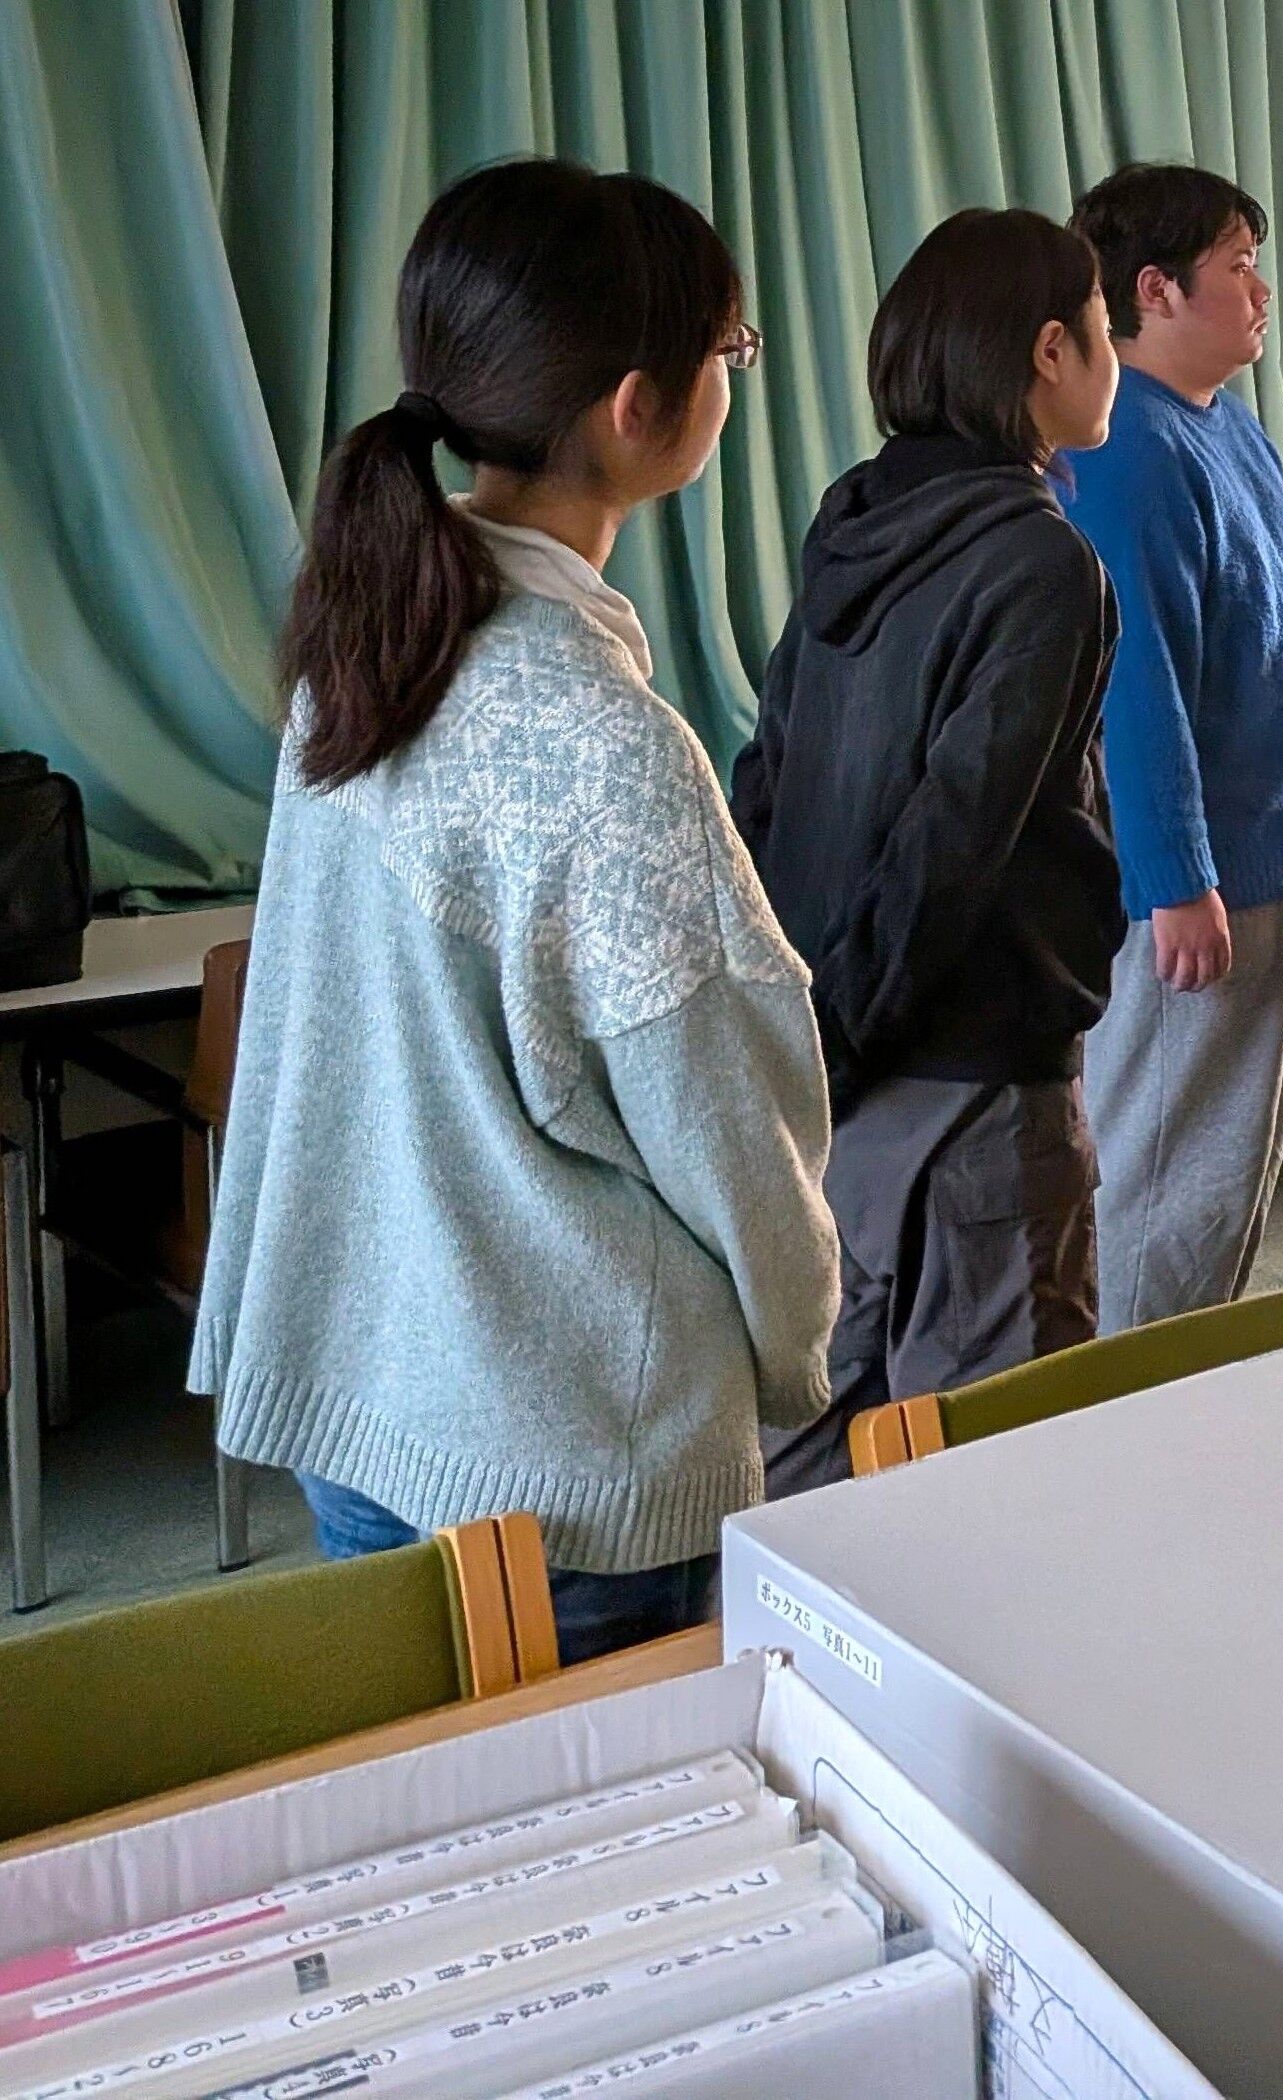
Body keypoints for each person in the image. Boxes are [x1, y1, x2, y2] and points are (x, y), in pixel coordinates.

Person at [192, 160, 837, 1663]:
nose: (733, 380)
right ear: (635, 408)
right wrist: (802, 1340)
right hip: (569, 1461)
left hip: (365, 1393)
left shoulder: (366, 648)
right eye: (730, 352)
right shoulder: (606, 743)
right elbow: (731, 1130)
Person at [733, 210, 1123, 1496]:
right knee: (999, 1478)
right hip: (967, 1077)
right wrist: (845, 1039)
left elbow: (767, 779)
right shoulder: (1040, 560)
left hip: (827, 1072)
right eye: (1103, 329)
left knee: (811, 1445)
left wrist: (808, 1046)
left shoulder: (850, 518)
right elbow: (954, 843)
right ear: (1050, 350)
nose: (1112, 359)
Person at [1061, 162, 1283, 1331]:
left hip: (1272, 852)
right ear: (1156, 290)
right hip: (1208, 880)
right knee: (1164, 1172)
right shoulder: (1128, 450)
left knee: (1224, 1176)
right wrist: (1176, 881)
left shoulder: (1220, 423)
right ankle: (1121, 1398)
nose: (1261, 291)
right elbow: (1136, 690)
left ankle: (1175, 1375)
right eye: (1238, 266)